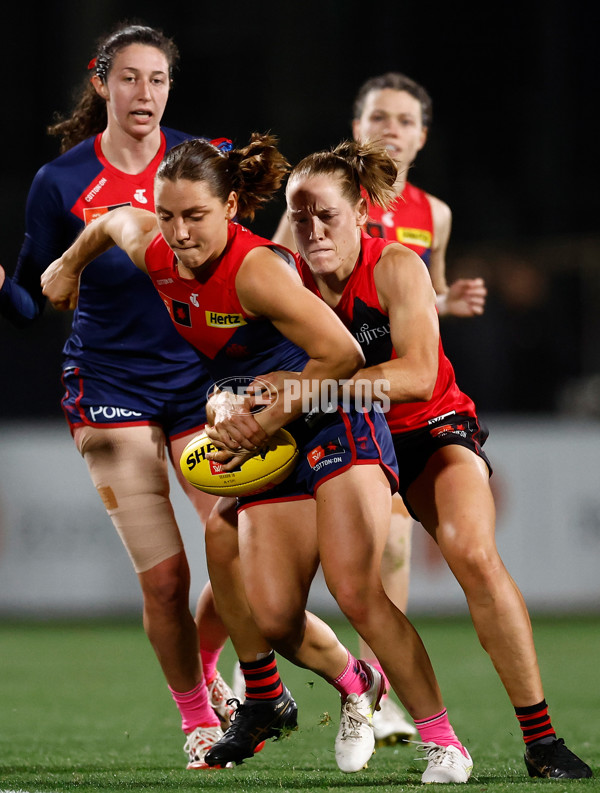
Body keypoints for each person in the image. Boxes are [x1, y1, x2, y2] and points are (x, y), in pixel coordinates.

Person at [41, 133, 474, 783]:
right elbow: (111, 225)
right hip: (277, 432)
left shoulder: (257, 270)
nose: (180, 233)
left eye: (196, 216)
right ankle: (355, 684)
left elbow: (343, 356)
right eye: (169, 215)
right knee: (272, 615)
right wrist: (67, 266)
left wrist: (263, 414)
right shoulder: (152, 245)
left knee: (355, 589)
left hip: (333, 420)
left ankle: (445, 740)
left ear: (232, 208)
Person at [280, 138, 592, 780]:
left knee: (473, 555)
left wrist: (316, 387)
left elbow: (420, 376)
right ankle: (293, 695)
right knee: (309, 592)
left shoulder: (394, 266)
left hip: (426, 433)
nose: (312, 229)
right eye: (299, 214)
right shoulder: (283, 278)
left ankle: (542, 742)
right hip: (344, 445)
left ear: (361, 212)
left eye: (326, 214)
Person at [0, 22, 238, 769]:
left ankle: (217, 673)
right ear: (100, 82)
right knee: (167, 577)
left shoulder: (206, 163)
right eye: (130, 78)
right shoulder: (60, 182)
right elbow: (39, 300)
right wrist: (2, 291)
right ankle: (198, 717)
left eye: (158, 79)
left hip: (202, 385)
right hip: (111, 387)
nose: (146, 93)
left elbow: (243, 273)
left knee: (241, 541)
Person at [272, 71, 488, 745]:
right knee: (268, 581)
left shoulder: (433, 215)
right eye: (377, 117)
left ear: (421, 137)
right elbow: (276, 279)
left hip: (393, 405)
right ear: (356, 128)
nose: (389, 129)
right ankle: (248, 684)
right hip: (325, 405)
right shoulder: (316, 197)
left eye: (402, 120)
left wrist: (443, 303)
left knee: (380, 559)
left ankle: (391, 699)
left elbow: (426, 300)